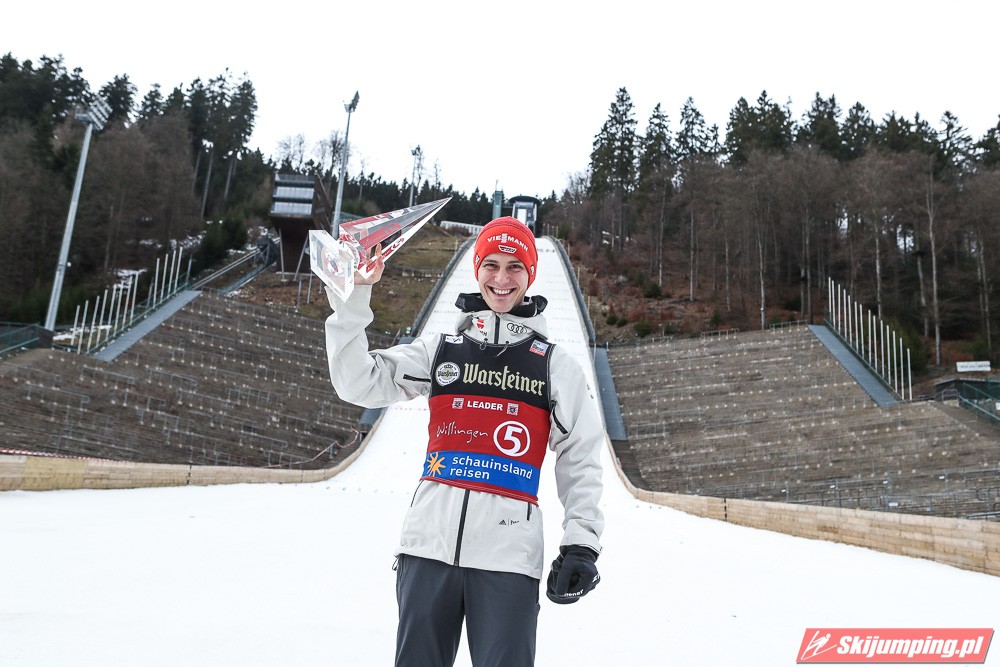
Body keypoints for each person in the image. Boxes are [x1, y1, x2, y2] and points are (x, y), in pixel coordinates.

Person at [324, 216, 604, 666]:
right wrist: (353, 295)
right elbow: (357, 381)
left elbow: (582, 456)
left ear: (531, 274)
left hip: (508, 559)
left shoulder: (555, 367)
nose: (501, 278)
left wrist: (581, 543)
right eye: (491, 264)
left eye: (515, 266)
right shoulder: (441, 351)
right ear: (476, 269)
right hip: (427, 549)